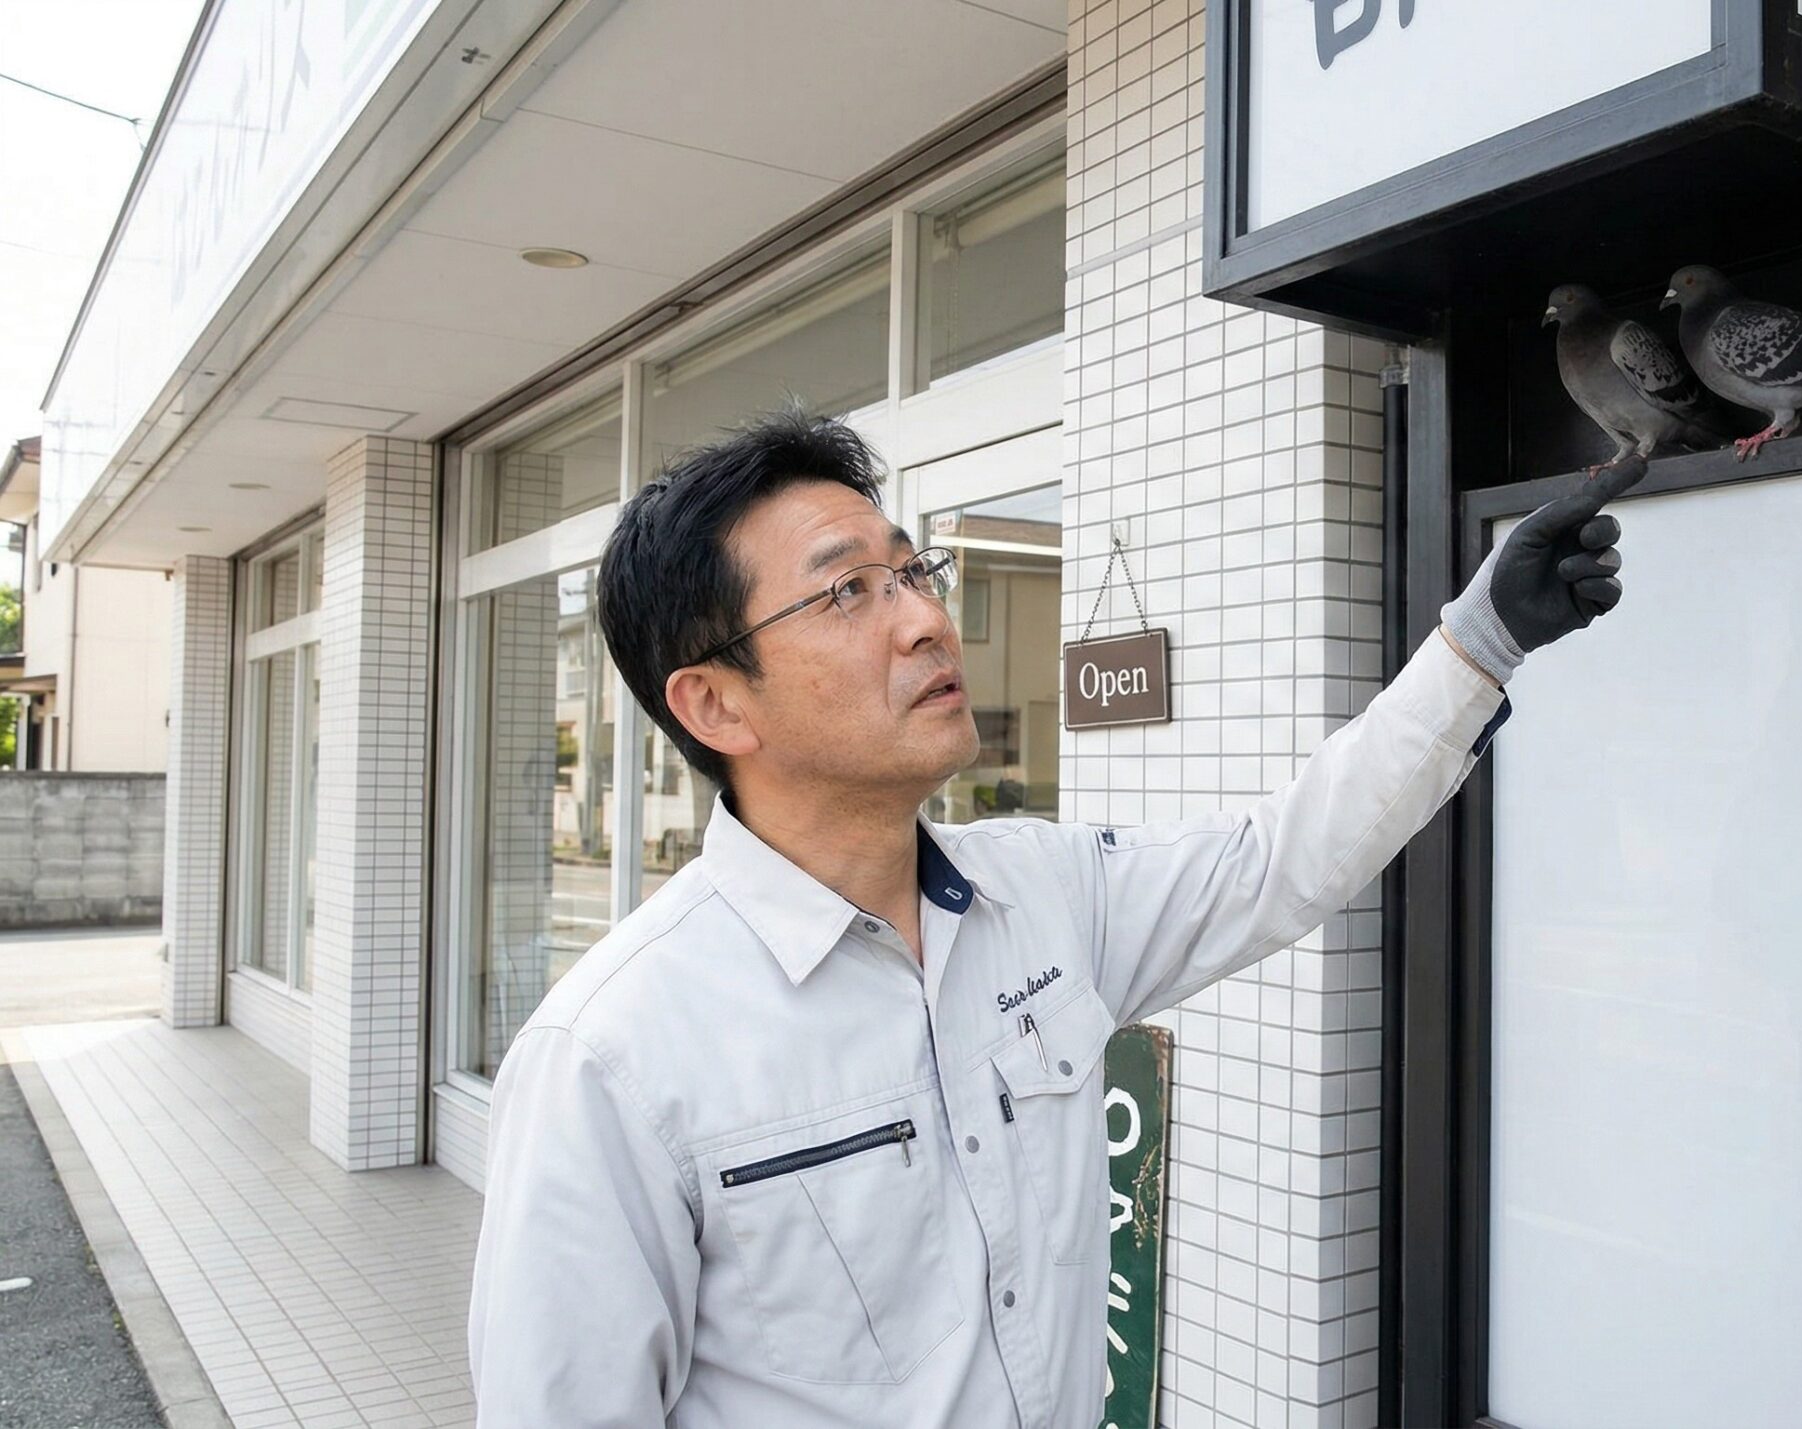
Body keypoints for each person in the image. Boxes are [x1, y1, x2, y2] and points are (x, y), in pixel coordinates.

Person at [465, 407, 1645, 1427]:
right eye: (845, 591)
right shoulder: (611, 1060)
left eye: (909, 570)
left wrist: (1479, 639)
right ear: (715, 702)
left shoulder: (1042, 893)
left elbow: (1285, 855)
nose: (925, 620)